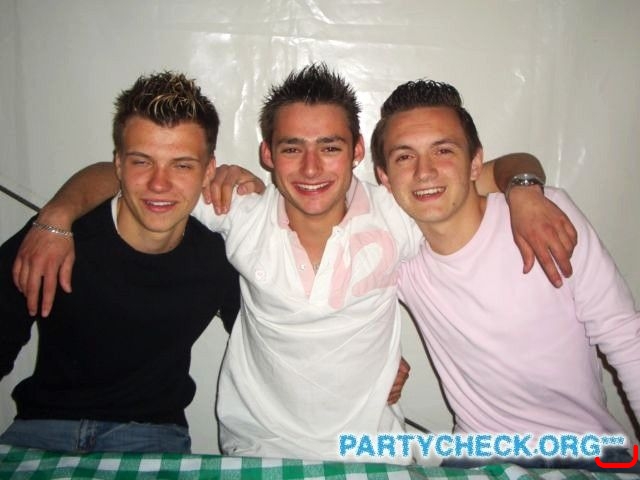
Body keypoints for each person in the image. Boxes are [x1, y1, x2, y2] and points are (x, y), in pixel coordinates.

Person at [10, 64, 577, 462]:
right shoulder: (239, 213)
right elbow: (139, 177)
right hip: (257, 449)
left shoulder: (399, 211)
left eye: (329, 147)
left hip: (372, 452)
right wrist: (57, 215)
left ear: (358, 151)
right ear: (267, 155)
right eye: (291, 148)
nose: (310, 168)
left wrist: (525, 188)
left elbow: (489, 169)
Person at [372, 79, 640, 471]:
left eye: (443, 151)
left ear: (475, 163)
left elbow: (625, 338)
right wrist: (372, 365)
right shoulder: (395, 256)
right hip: (478, 455)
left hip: (587, 450)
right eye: (404, 157)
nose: (424, 171)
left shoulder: (546, 217)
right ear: (384, 177)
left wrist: (524, 187)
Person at [0, 71, 243, 453]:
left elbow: (267, 343)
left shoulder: (220, 256)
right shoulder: (56, 237)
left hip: (152, 434)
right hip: (40, 429)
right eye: (142, 162)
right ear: (117, 164)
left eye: (182, 165)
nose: (159, 184)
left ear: (208, 171)